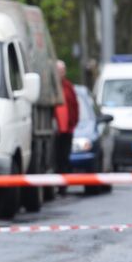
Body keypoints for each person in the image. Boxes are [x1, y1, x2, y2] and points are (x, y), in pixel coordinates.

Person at [54, 60, 79, 191]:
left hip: (67, 129)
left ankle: (63, 184)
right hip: (56, 130)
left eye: (62, 71)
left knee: (65, 157)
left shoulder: (69, 87)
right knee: (56, 158)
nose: (60, 73)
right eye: (58, 71)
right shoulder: (52, 87)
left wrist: (73, 123)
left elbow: (75, 106)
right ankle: (58, 183)